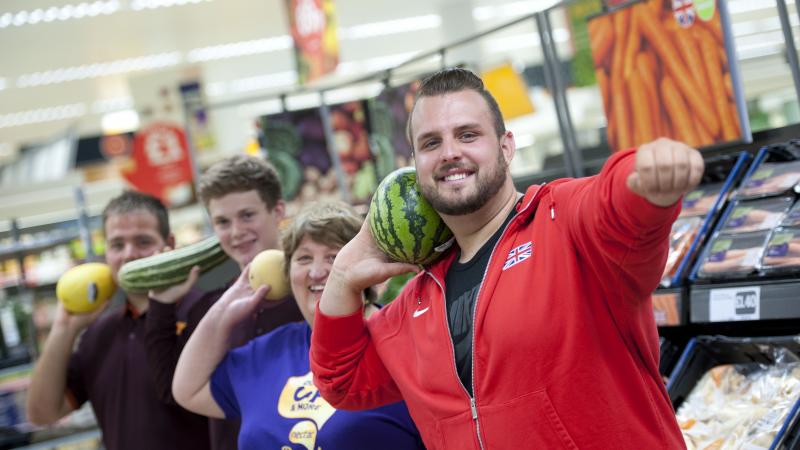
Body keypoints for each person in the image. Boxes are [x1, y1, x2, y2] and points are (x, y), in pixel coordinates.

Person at [309, 67, 704, 449]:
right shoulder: (417, 301)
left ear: (505, 145)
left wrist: (648, 175)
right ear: (415, 168)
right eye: (431, 143)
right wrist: (343, 274)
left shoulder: (561, 220)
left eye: (467, 134)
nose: (449, 153)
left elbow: (614, 202)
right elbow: (340, 381)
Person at [171, 201, 424, 450]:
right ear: (287, 274)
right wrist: (224, 309)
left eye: (333, 256)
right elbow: (188, 390)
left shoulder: (400, 344)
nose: (316, 271)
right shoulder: (266, 354)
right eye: (303, 258)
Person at [26, 191, 212, 450]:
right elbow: (42, 413)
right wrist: (64, 328)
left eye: (143, 241)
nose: (129, 254)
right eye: (117, 245)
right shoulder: (98, 333)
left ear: (169, 244)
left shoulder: (206, 314)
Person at [144, 155, 304, 450]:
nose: (236, 232)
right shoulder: (207, 309)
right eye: (222, 222)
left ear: (278, 210)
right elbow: (171, 391)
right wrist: (161, 306)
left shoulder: (310, 293)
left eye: (247, 215)